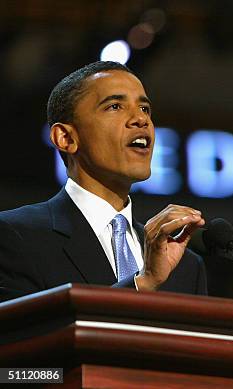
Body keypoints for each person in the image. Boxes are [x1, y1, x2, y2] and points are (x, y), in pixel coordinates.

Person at [0, 61, 207, 302]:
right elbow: (25, 335)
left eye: (145, 109)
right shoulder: (17, 237)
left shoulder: (185, 265)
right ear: (65, 137)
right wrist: (142, 284)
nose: (141, 120)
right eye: (115, 106)